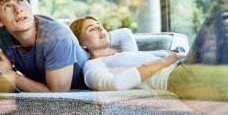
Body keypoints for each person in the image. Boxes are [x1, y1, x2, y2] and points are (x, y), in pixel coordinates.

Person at [70, 16, 228, 101]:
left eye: (100, 25)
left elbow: (125, 33)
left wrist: (102, 36)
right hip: (175, 76)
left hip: (183, 65)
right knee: (217, 15)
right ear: (82, 43)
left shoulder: (123, 53)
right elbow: (116, 84)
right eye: (92, 28)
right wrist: (164, 61)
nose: (99, 27)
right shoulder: (92, 66)